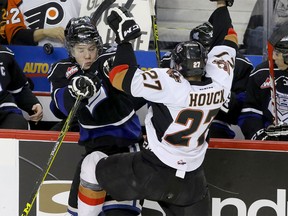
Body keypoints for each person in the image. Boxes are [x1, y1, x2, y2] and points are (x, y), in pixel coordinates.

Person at [77, 5, 237, 216]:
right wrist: (222, 5)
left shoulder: (172, 83)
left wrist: (124, 41)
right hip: (192, 185)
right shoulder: (220, 79)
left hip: (151, 173)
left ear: (178, 68)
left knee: (91, 163)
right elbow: (229, 36)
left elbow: (119, 76)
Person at [47, 16, 146, 215]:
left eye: (91, 48)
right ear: (71, 50)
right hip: (92, 153)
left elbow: (137, 88)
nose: (88, 55)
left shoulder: (108, 59)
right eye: (81, 50)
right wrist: (74, 92)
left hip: (126, 151)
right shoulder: (62, 70)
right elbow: (60, 106)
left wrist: (123, 47)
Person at [161, 1, 254, 139]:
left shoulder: (237, 62)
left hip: (215, 119)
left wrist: (222, 96)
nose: (200, 51)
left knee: (215, 130)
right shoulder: (173, 58)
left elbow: (242, 105)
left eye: (205, 46)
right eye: (196, 46)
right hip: (178, 116)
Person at [238, 35, 288, 140]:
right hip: (272, 143)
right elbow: (250, 112)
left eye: (277, 53)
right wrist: (259, 136)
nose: (273, 57)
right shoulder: (261, 73)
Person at [0, 0, 81, 46]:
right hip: (34, 60)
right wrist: (45, 32)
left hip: (75, 55)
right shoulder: (16, 1)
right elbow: (15, 37)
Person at [0, 45, 43, 129]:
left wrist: (33, 104)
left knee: (18, 124)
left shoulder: (4, 53)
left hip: (5, 110)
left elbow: (18, 88)